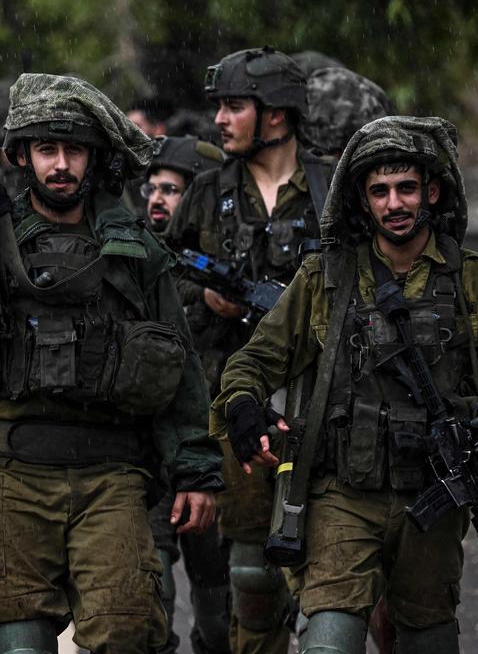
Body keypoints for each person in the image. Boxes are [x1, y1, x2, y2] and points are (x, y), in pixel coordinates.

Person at [217, 115, 478, 654]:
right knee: (328, 639)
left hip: (433, 495)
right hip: (341, 494)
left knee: (430, 638)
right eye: (379, 191)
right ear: (362, 199)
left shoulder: (470, 278)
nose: (394, 203)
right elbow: (257, 360)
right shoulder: (325, 278)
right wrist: (243, 406)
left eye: (406, 188)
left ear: (432, 190)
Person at [0, 73, 223, 654]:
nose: (61, 164)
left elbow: (179, 366)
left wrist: (196, 472)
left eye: (74, 150)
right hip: (11, 473)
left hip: (112, 475)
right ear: (23, 156)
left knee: (127, 631)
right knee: (22, 639)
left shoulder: (132, 247)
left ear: (94, 157)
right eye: (47, 150)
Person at [166, 46, 331, 654]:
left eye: (235, 107)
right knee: (249, 576)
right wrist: (206, 302)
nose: (219, 120)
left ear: (277, 117)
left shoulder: (331, 192)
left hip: (318, 410)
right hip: (234, 411)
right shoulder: (208, 194)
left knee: (328, 584)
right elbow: (166, 279)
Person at [142, 135, 231, 654]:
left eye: (171, 190)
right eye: (151, 188)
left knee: (221, 611)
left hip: (214, 453)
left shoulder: (229, 264)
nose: (157, 199)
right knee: (151, 597)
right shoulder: (131, 255)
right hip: (150, 454)